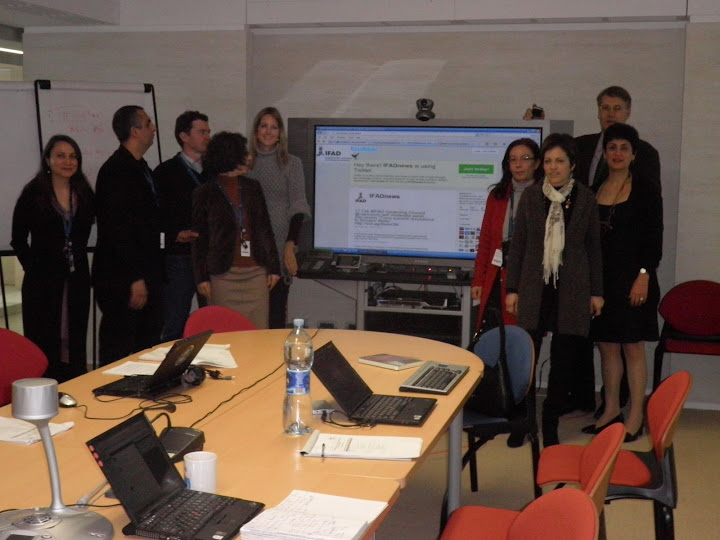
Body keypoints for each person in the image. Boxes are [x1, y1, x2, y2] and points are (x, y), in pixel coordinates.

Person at [505, 133, 604, 447]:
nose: (553, 167)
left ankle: (550, 424)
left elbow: (593, 248)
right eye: (548, 161)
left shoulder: (586, 199)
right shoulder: (532, 197)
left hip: (572, 289)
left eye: (560, 161)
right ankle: (523, 421)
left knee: (563, 363)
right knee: (527, 360)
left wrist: (597, 292)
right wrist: (512, 288)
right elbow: (519, 246)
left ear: (572, 164)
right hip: (534, 288)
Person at [575, 85, 662, 418]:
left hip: (634, 281)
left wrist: (644, 275)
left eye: (624, 148)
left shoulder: (645, 189)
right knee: (607, 348)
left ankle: (636, 415)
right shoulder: (596, 189)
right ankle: (610, 410)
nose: (617, 153)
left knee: (633, 349)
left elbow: (654, 237)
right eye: (612, 148)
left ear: (634, 154)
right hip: (603, 283)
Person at [11, 135, 95, 382]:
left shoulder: (84, 193)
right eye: (60, 156)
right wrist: (35, 268)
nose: (67, 162)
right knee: (45, 339)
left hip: (77, 278)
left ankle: (74, 385)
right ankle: (46, 388)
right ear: (48, 160)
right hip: (43, 283)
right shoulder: (33, 193)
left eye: (73, 157)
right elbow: (18, 239)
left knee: (75, 337)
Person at [93, 105, 163, 365]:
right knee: (119, 349)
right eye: (148, 123)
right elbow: (117, 229)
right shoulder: (115, 171)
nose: (154, 128)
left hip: (148, 272)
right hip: (122, 279)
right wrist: (135, 278)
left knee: (147, 347)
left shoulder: (141, 167)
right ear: (134, 131)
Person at [192, 131, 281, 328]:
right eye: (243, 152)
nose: (248, 157)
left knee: (257, 333)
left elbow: (265, 229)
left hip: (256, 274)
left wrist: (274, 268)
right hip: (222, 276)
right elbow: (199, 239)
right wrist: (201, 277)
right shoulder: (204, 192)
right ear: (231, 156)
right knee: (225, 333)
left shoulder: (252, 188)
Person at [246, 107, 311, 329]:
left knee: (275, 314)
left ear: (280, 133)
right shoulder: (245, 164)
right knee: (250, 316)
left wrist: (290, 244)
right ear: (256, 131)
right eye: (264, 126)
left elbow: (298, 206)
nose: (268, 132)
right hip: (250, 249)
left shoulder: (291, 163)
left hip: (280, 245)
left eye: (274, 127)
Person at [471, 138, 542, 328]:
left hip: (529, 278)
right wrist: (478, 280)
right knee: (493, 333)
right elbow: (486, 240)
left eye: (525, 158)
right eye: (513, 159)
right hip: (497, 274)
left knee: (523, 335)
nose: (518, 165)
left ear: (536, 163)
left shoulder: (544, 196)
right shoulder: (498, 195)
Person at [154, 111, 212, 341]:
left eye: (208, 132)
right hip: (179, 257)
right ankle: (170, 363)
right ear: (184, 136)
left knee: (213, 319)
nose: (207, 137)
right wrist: (175, 235)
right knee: (175, 322)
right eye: (202, 132)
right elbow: (156, 217)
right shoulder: (165, 172)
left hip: (208, 256)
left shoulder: (214, 171)